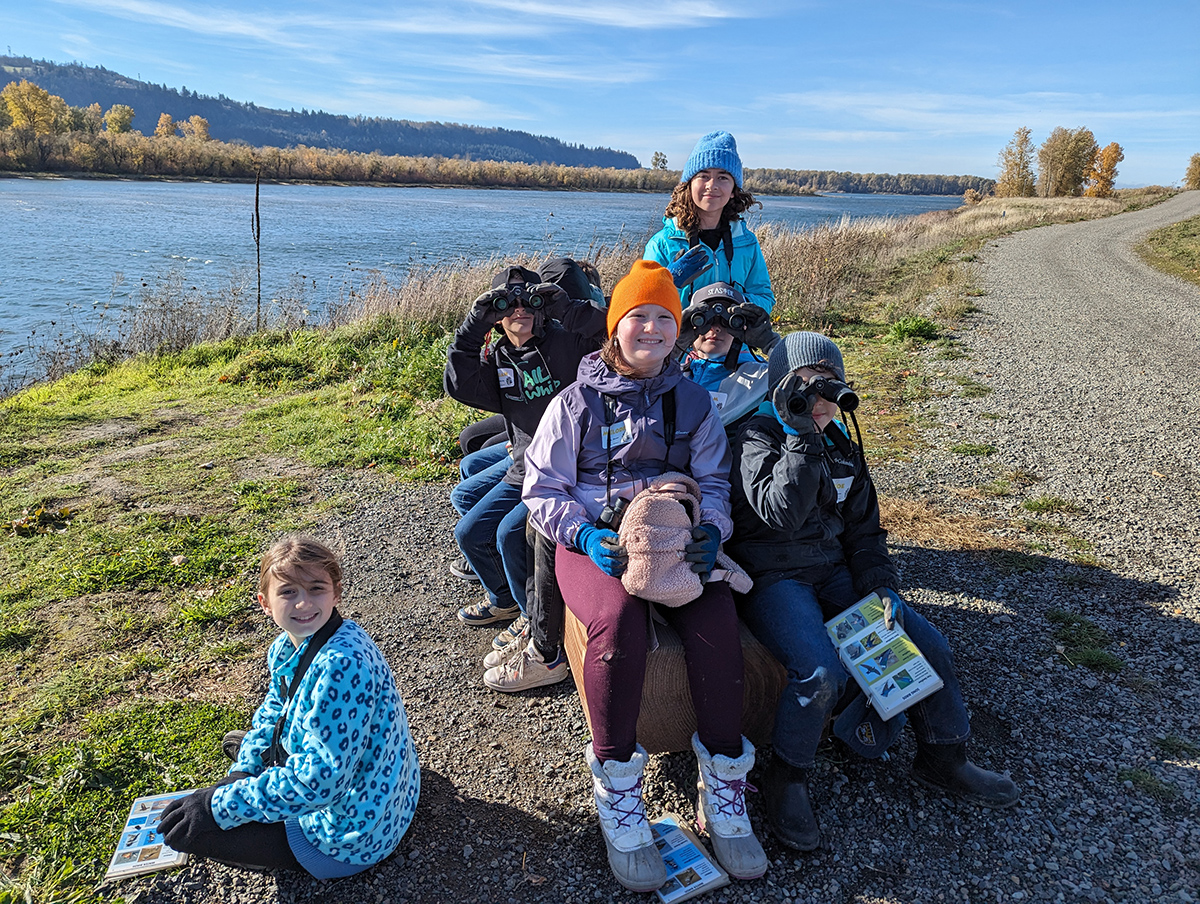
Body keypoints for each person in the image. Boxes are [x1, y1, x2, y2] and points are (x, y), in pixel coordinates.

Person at [522, 260, 767, 891]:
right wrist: (583, 536)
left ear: (677, 330)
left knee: (716, 621)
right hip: (595, 539)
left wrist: (713, 529)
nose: (652, 328)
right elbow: (542, 489)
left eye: (665, 317)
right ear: (615, 327)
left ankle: (725, 791)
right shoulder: (572, 404)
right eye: (639, 316)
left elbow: (713, 482)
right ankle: (618, 790)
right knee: (617, 623)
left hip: (674, 536)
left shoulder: (695, 402)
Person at [727, 331, 1019, 852]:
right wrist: (800, 436)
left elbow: (865, 532)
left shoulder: (844, 448)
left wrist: (880, 586)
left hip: (833, 568)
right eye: (805, 387)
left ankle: (943, 757)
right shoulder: (755, 438)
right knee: (820, 672)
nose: (820, 401)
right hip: (775, 576)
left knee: (927, 642)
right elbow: (781, 514)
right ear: (779, 390)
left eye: (830, 389)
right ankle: (787, 778)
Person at [159, 536, 420, 876]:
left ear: (336, 593)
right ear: (265, 602)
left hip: (351, 839)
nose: (302, 603)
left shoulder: (340, 666)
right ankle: (257, 772)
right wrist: (242, 771)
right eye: (288, 592)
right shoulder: (290, 645)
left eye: (315, 589)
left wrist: (214, 807)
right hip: (385, 792)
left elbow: (319, 785)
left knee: (188, 832)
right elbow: (275, 709)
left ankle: (285, 844)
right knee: (244, 761)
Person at [444, 264, 606, 644]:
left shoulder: (568, 345)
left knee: (507, 534)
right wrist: (472, 328)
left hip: (569, 470)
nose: (520, 309)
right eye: (507, 304)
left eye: (530, 300)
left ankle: (532, 617)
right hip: (526, 468)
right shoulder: (498, 357)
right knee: (469, 529)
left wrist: (566, 308)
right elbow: (460, 385)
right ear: (496, 318)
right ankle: (506, 598)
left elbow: (611, 334)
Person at [643, 130, 774, 314]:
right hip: (678, 342)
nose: (711, 185)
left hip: (733, 342)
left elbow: (765, 298)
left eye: (723, 177)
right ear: (688, 185)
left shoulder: (747, 242)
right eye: (703, 176)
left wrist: (736, 301)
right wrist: (669, 280)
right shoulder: (663, 243)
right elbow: (642, 305)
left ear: (734, 190)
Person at [675, 281, 780, 435]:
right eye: (705, 320)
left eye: (727, 322)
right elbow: (636, 383)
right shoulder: (671, 374)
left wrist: (770, 343)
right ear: (690, 325)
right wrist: (674, 346)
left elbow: (806, 382)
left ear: (741, 328)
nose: (715, 328)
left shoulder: (761, 377)